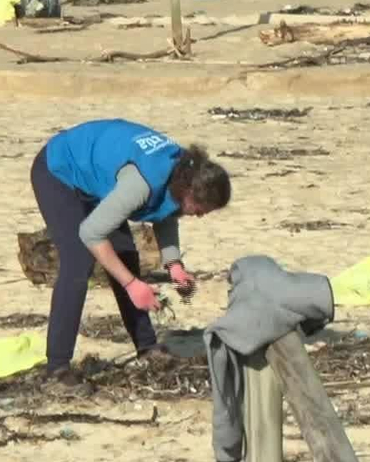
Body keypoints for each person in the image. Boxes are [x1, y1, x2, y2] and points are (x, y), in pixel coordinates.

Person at [32, 118, 232, 382]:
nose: (200, 216)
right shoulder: (141, 184)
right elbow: (91, 233)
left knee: (125, 253)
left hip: (97, 177)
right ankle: (57, 367)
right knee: (78, 262)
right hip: (59, 170)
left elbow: (166, 212)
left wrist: (174, 266)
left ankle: (147, 348)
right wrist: (131, 285)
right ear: (188, 192)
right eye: (200, 209)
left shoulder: (185, 170)